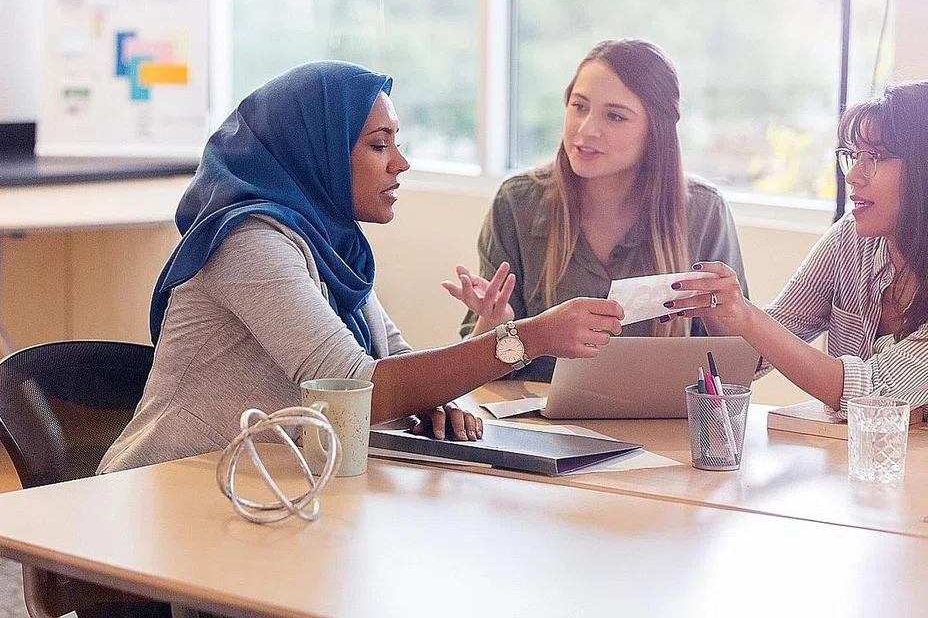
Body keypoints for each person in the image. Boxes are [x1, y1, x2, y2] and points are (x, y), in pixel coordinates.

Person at [98, 60, 626, 475]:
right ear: (319, 152)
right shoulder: (249, 243)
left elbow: (395, 361)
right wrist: (528, 338)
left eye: (397, 142)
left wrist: (435, 400)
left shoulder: (330, 245)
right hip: (176, 500)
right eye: (379, 145)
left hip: (274, 490)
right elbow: (359, 388)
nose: (401, 162)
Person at [443, 38, 748, 382]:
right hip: (536, 425)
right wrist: (495, 323)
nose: (586, 130)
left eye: (615, 116)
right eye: (579, 106)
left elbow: (733, 371)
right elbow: (477, 373)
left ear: (656, 131)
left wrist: (725, 314)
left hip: (659, 426)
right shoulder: (517, 204)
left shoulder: (704, 212)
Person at [667, 81, 928, 413]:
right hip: (849, 459)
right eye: (853, 156)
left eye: (874, 157)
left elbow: (871, 393)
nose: (852, 176)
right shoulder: (850, 239)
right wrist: (726, 312)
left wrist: (747, 316)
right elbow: (759, 355)